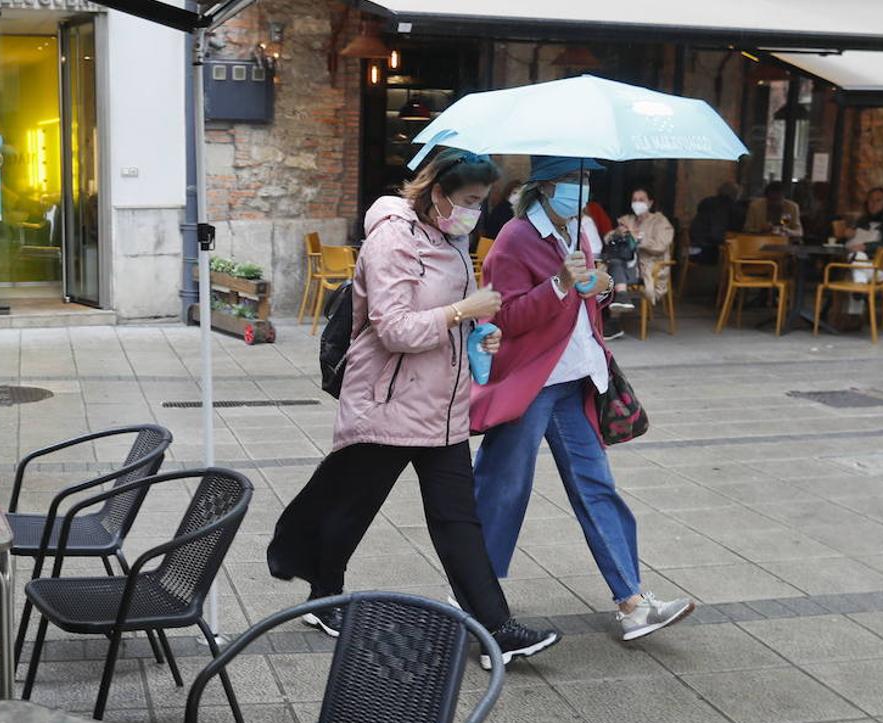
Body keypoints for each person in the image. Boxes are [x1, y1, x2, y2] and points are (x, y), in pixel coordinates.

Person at [266, 149, 560, 669]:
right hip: (388, 399)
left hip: (441, 405)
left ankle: (497, 630)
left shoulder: (452, 236)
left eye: (481, 202)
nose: (475, 211)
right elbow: (394, 327)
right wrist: (460, 311)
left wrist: (477, 333)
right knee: (351, 502)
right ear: (438, 193)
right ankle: (320, 591)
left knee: (456, 517)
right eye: (468, 200)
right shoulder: (392, 238)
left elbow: (454, 317)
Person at [470, 155, 695, 643]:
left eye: (587, 179)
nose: (583, 189)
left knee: (597, 486)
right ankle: (473, 596)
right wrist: (561, 283)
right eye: (574, 179)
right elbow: (503, 317)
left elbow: (586, 303)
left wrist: (604, 287)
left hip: (575, 380)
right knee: (503, 488)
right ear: (546, 187)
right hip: (531, 383)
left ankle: (632, 601)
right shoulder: (514, 240)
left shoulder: (578, 233)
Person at [605, 187, 674, 310]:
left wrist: (639, 240)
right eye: (634, 200)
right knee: (613, 263)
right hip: (625, 263)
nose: (637, 203)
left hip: (647, 268)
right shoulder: (627, 220)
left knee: (614, 267)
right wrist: (617, 233)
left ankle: (615, 318)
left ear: (650, 203)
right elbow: (607, 239)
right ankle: (622, 297)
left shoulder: (660, 222)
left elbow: (661, 246)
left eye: (641, 200)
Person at [690, 181, 741, 264]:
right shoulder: (727, 207)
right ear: (734, 195)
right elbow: (716, 235)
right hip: (707, 252)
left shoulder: (707, 203)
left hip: (693, 248)